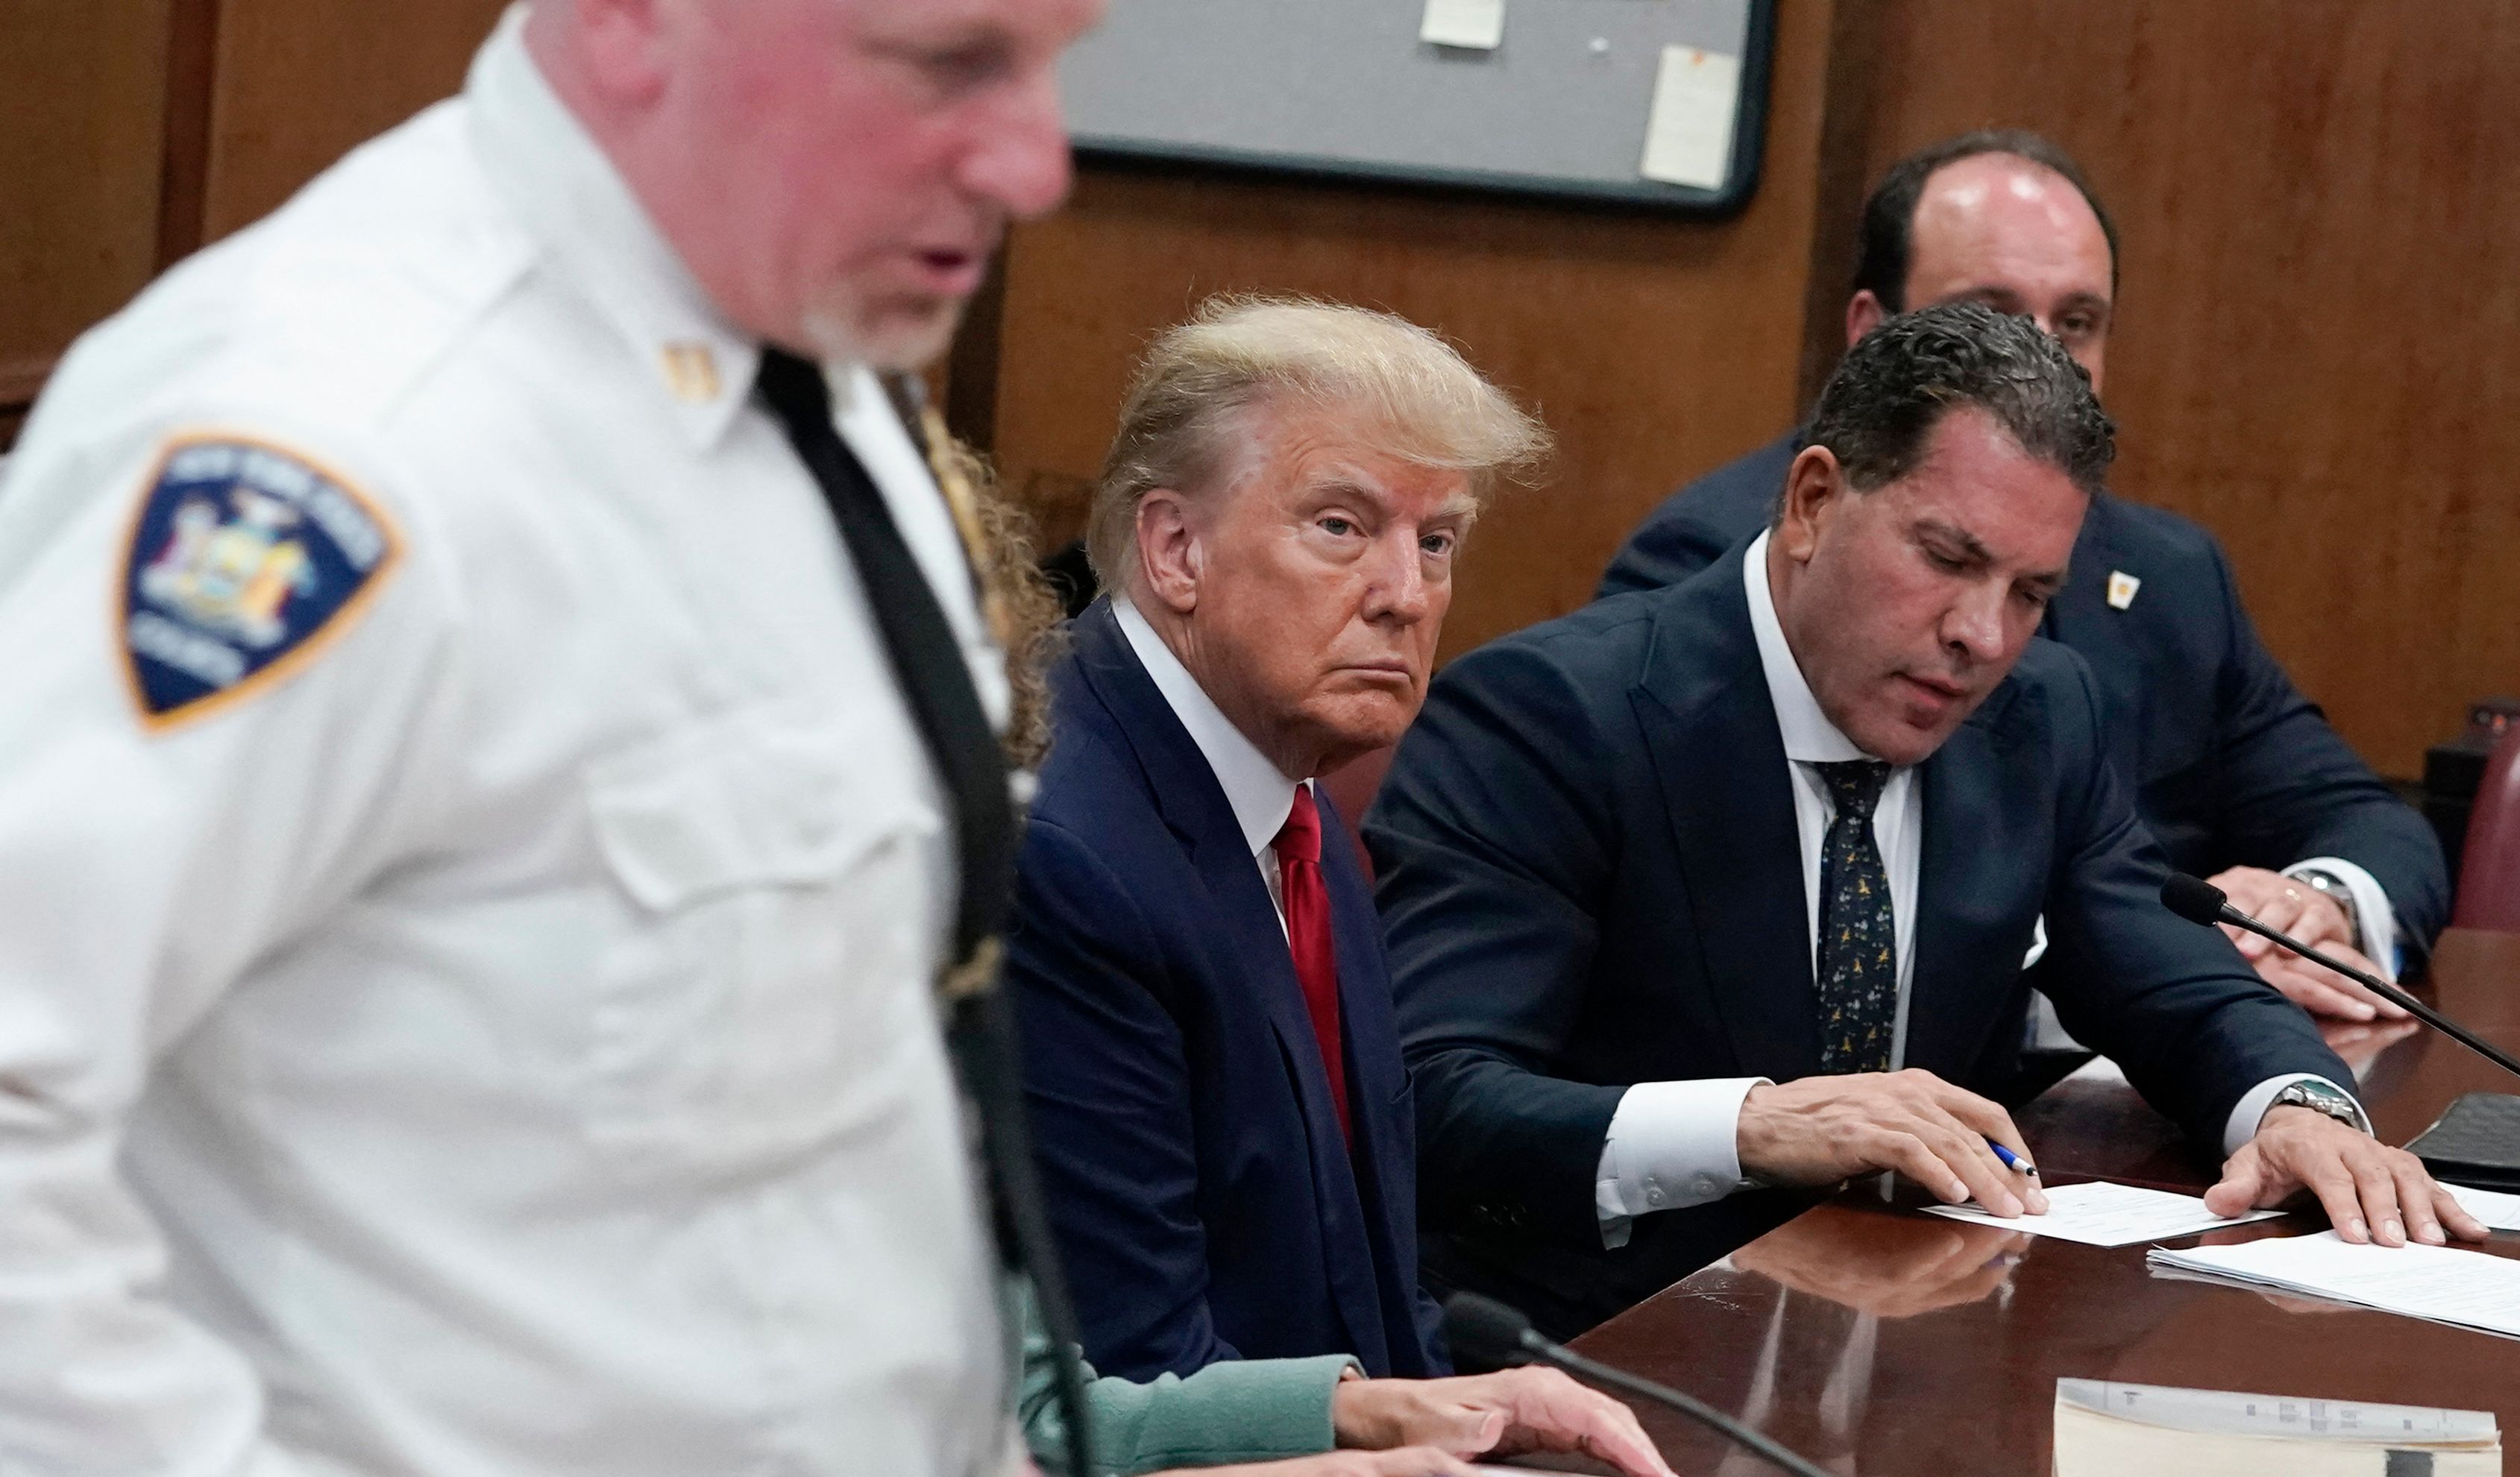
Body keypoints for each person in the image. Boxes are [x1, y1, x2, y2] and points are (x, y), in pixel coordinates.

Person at [0, 0, 1126, 1470]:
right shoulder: (339, 443)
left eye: (1057, 60)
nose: (1037, 164)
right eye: (947, 64)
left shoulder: (816, 383)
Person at [1369, 302, 2488, 1339]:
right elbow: (1432, 1098)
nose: (1981, 635)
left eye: (2028, 591)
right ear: (1812, 502)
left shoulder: (2038, 715)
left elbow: (2166, 979)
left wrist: (2293, 1109)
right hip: (1603, 1346)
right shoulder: (1555, 717)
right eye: (1946, 559)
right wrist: (1751, 1125)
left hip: (1911, 1340)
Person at [1597, 130, 2447, 1024]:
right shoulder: (1729, 557)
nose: (2040, 360)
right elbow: (1712, 932)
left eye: (2076, 323)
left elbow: (2365, 818)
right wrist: (2167, 974)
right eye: (1993, 316)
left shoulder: (2169, 573)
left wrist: (2306, 907)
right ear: (1870, 336)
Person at [1005, 297, 1566, 1387]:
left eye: (1436, 540)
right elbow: (1137, 1373)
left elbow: (1364, 1269)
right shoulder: (1067, 850)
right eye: (1341, 528)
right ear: (1175, 548)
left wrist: (1465, 1418)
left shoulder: (1290, 795)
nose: (1405, 596)